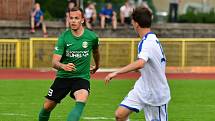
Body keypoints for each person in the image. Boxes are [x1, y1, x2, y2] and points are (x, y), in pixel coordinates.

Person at [105, 6, 171, 121]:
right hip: (143, 87)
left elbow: (141, 63)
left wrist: (116, 73)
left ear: (136, 24)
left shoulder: (148, 42)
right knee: (120, 115)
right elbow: (143, 65)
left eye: (132, 21)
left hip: (156, 93)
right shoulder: (148, 39)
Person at [38, 7, 100, 121]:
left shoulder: (92, 37)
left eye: (76, 18)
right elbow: (54, 62)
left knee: (82, 96)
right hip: (63, 77)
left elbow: (96, 52)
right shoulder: (63, 38)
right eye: (71, 18)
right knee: (48, 106)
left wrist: (97, 65)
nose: (73, 21)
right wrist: (63, 66)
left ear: (82, 20)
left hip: (81, 77)